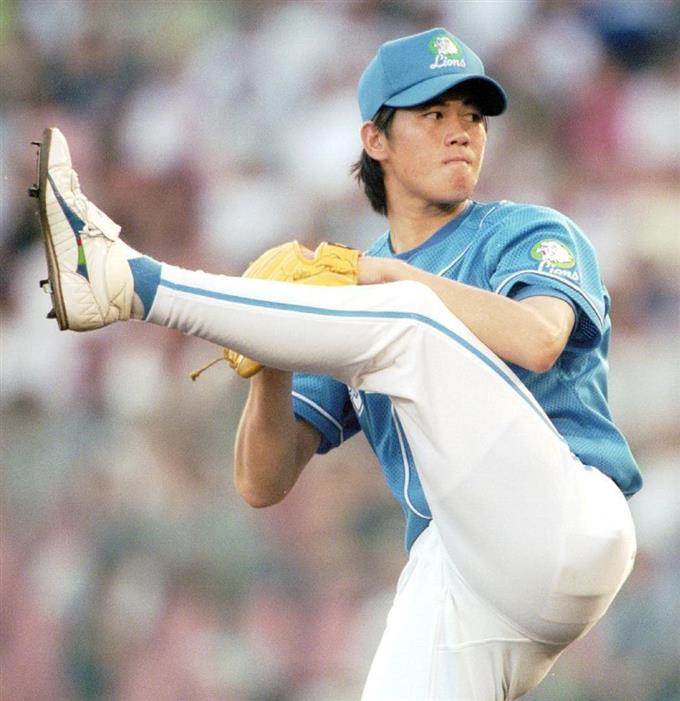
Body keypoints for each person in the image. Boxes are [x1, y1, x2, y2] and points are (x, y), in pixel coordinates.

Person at [34, 27, 640, 701]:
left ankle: (127, 282)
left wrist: (375, 275)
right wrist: (270, 350)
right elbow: (261, 482)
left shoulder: (524, 232)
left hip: (565, 517)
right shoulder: (352, 293)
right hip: (463, 573)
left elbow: (539, 338)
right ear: (375, 139)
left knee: (408, 315)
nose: (462, 132)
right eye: (434, 113)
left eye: (473, 115)